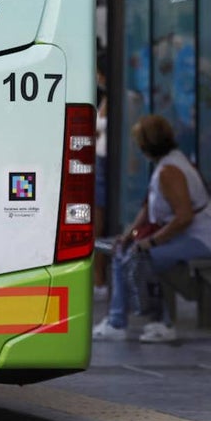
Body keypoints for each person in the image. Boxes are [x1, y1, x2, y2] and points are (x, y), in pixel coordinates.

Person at [93, 115, 211, 344]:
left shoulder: (169, 171)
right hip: (186, 235)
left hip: (201, 238)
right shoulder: (167, 164)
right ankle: (116, 321)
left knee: (142, 259)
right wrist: (127, 237)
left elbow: (184, 217)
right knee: (122, 252)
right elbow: (147, 208)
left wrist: (152, 242)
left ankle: (161, 322)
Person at [93, 64, 110, 300]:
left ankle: (100, 281)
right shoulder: (105, 99)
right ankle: (99, 280)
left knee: (99, 225)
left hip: (107, 164)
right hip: (99, 161)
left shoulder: (125, 98)